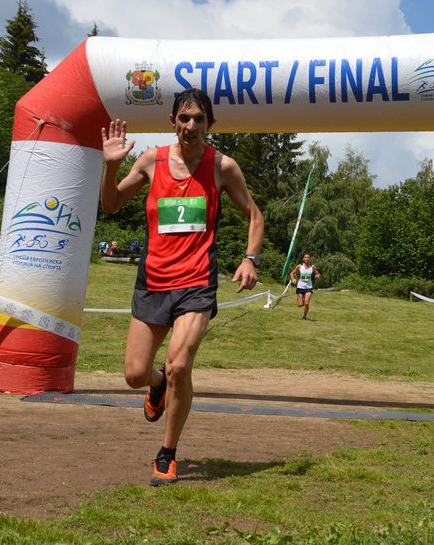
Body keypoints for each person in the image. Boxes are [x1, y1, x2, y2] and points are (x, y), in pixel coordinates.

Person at [99, 88, 264, 486]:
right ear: (172, 121)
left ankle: (167, 453)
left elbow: (254, 216)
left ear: (210, 124)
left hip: (196, 282)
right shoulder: (150, 161)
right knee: (135, 374)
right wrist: (111, 167)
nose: (191, 126)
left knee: (178, 365)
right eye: (184, 118)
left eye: (199, 119)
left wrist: (250, 258)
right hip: (154, 280)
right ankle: (156, 388)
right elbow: (111, 204)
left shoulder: (222, 166)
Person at [289, 253, 321, 320]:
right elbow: (292, 273)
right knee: (300, 305)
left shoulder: (312, 267)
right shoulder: (299, 266)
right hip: (300, 287)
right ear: (303, 259)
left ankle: (304, 316)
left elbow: (318, 274)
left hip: (309, 287)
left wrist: (317, 276)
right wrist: (293, 279)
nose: (307, 259)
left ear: (310, 259)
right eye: (306, 257)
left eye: (308, 257)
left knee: (307, 303)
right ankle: (302, 299)